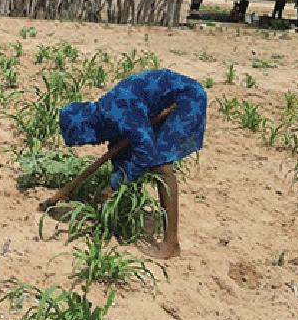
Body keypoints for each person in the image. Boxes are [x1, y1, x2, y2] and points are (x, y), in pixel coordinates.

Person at [58, 69, 207, 260]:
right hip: (169, 99)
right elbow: (120, 149)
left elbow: (145, 151)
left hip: (186, 99)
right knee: (130, 155)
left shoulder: (117, 112)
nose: (91, 143)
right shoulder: (106, 115)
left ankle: (171, 244)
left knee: (161, 165)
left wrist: (115, 184)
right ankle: (126, 210)